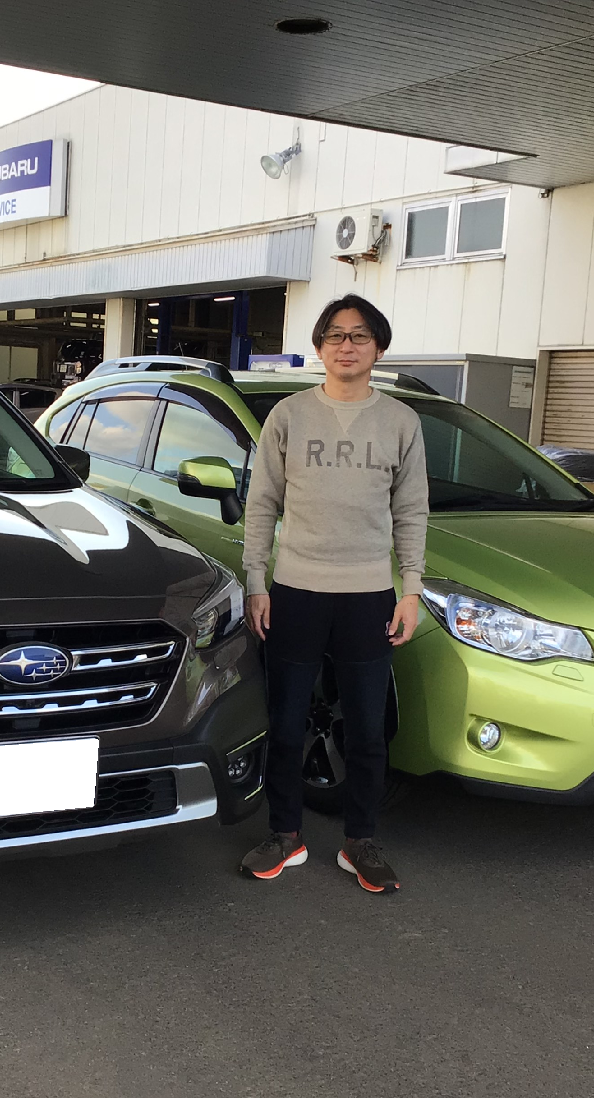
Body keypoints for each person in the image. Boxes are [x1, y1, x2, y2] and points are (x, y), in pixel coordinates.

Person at [238, 293, 428, 894]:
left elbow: (412, 511)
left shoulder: (401, 422)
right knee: (286, 724)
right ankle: (284, 834)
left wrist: (411, 590)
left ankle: (359, 840)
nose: (348, 345)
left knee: (368, 731)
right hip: (295, 591)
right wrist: (256, 582)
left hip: (369, 595)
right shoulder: (289, 416)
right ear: (319, 347)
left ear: (379, 348)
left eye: (360, 335)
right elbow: (262, 505)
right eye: (336, 335)